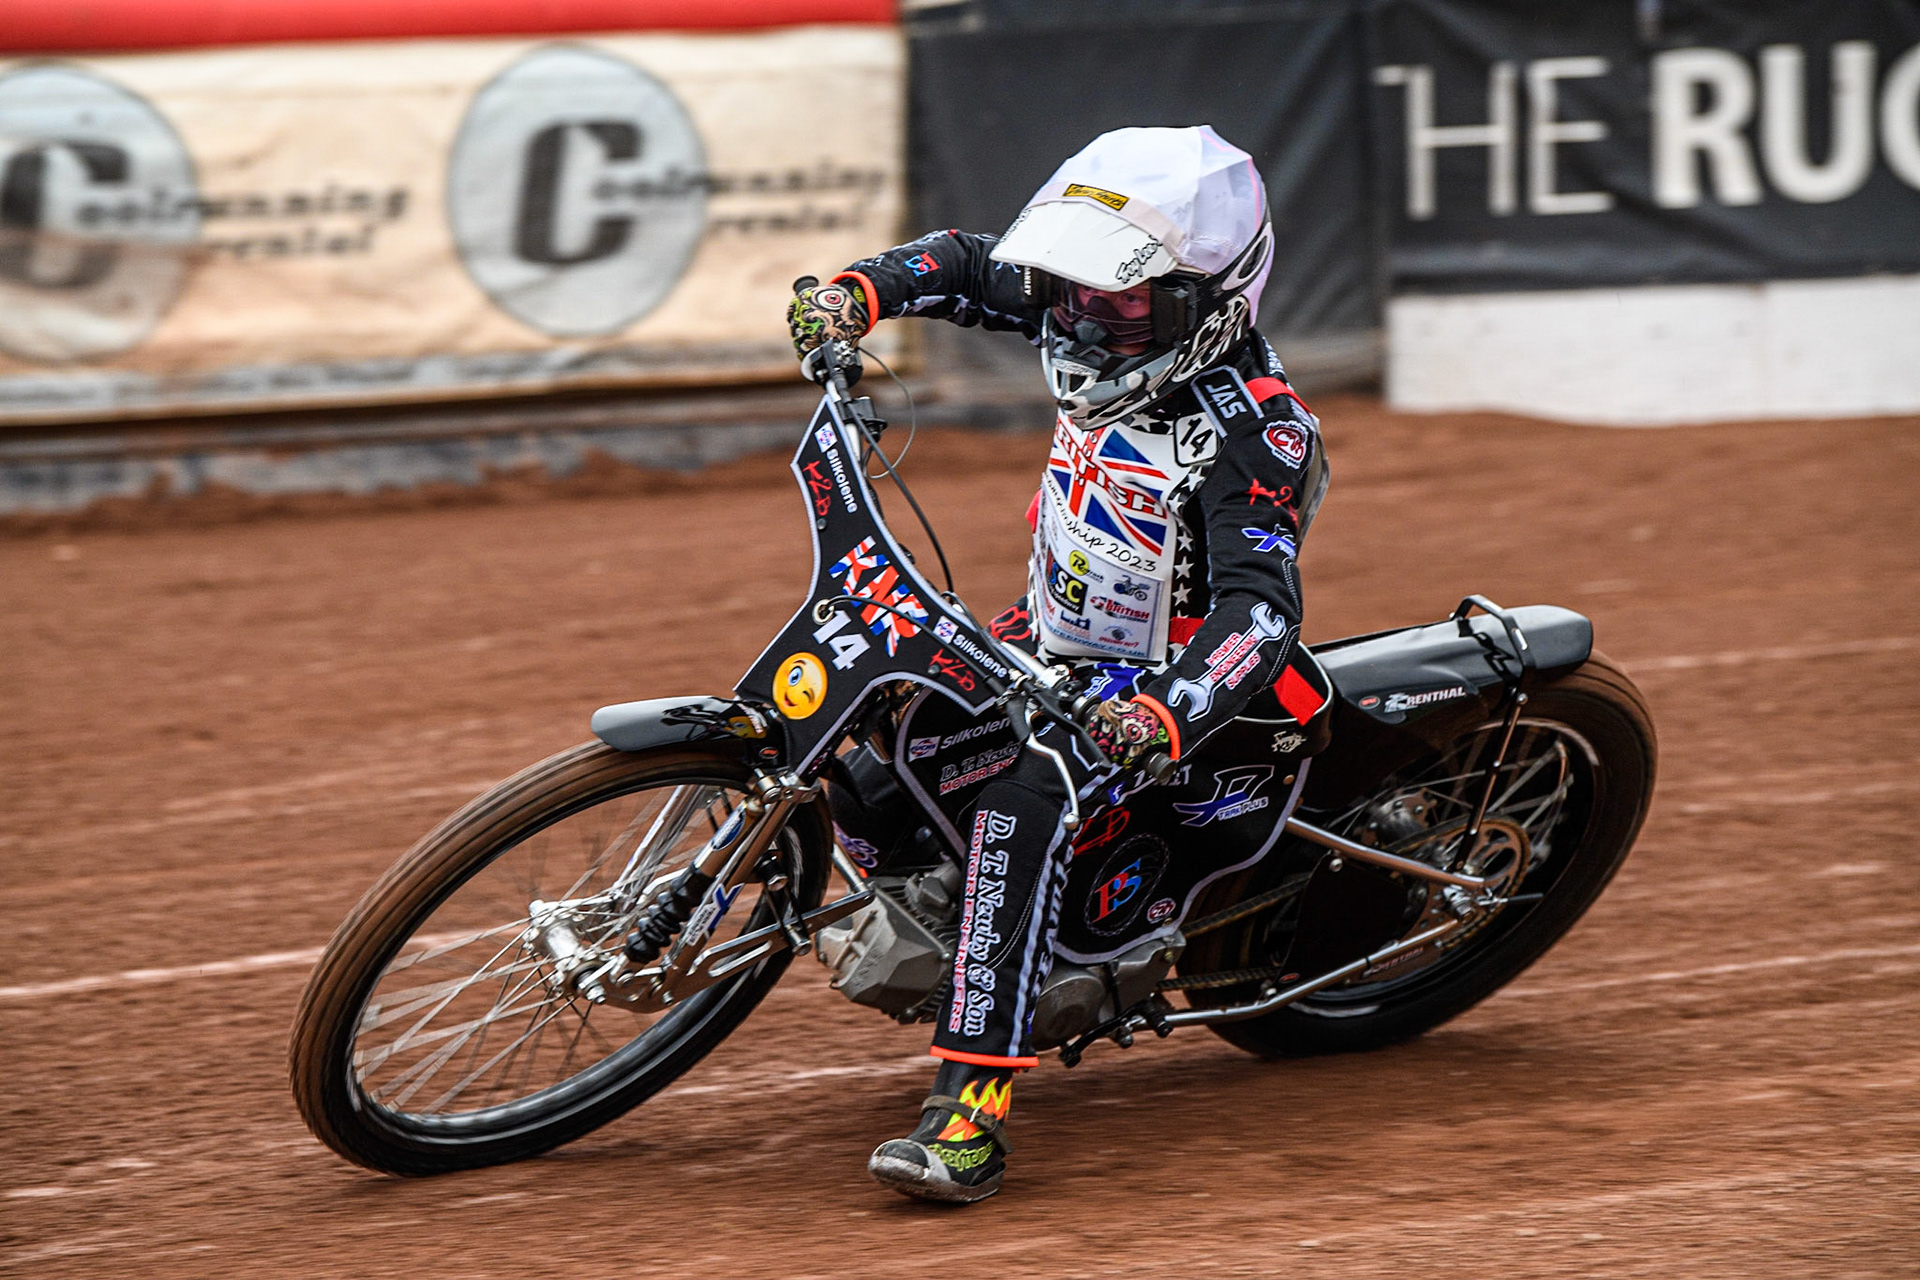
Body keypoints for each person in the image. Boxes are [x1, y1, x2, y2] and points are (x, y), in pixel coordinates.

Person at [787, 125, 1328, 1204]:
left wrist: (1165, 713)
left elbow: (1260, 617)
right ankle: (936, 903)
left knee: (1022, 804)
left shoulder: (1254, 436)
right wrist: (856, 293)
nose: (1082, 319)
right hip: (1055, 644)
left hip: (1186, 694)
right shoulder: (1097, 305)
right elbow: (960, 260)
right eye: (1075, 292)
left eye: (1121, 303)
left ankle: (971, 1112)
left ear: (1211, 299)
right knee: (884, 702)